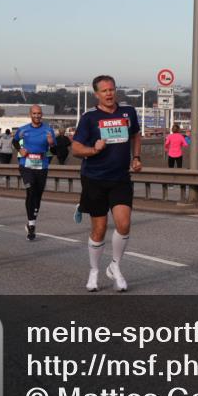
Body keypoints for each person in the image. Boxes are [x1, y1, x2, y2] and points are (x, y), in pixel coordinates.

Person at [71, 75, 142, 292]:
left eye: (112, 89)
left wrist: (136, 157)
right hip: (94, 178)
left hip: (120, 178)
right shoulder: (89, 118)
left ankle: (115, 267)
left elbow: (136, 134)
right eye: (104, 91)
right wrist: (94, 150)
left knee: (124, 224)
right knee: (99, 229)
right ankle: (94, 270)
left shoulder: (128, 112)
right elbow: (75, 149)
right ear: (97, 94)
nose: (109, 94)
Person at [13, 105, 57, 241]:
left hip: (42, 165)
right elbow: (15, 141)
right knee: (31, 190)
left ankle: (31, 222)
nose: (37, 116)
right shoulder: (23, 129)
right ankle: (31, 225)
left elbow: (54, 150)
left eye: (39, 113)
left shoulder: (48, 130)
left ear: (41, 115)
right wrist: (20, 149)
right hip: (26, 165)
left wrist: (51, 144)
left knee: (37, 195)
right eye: (34, 113)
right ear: (30, 114)